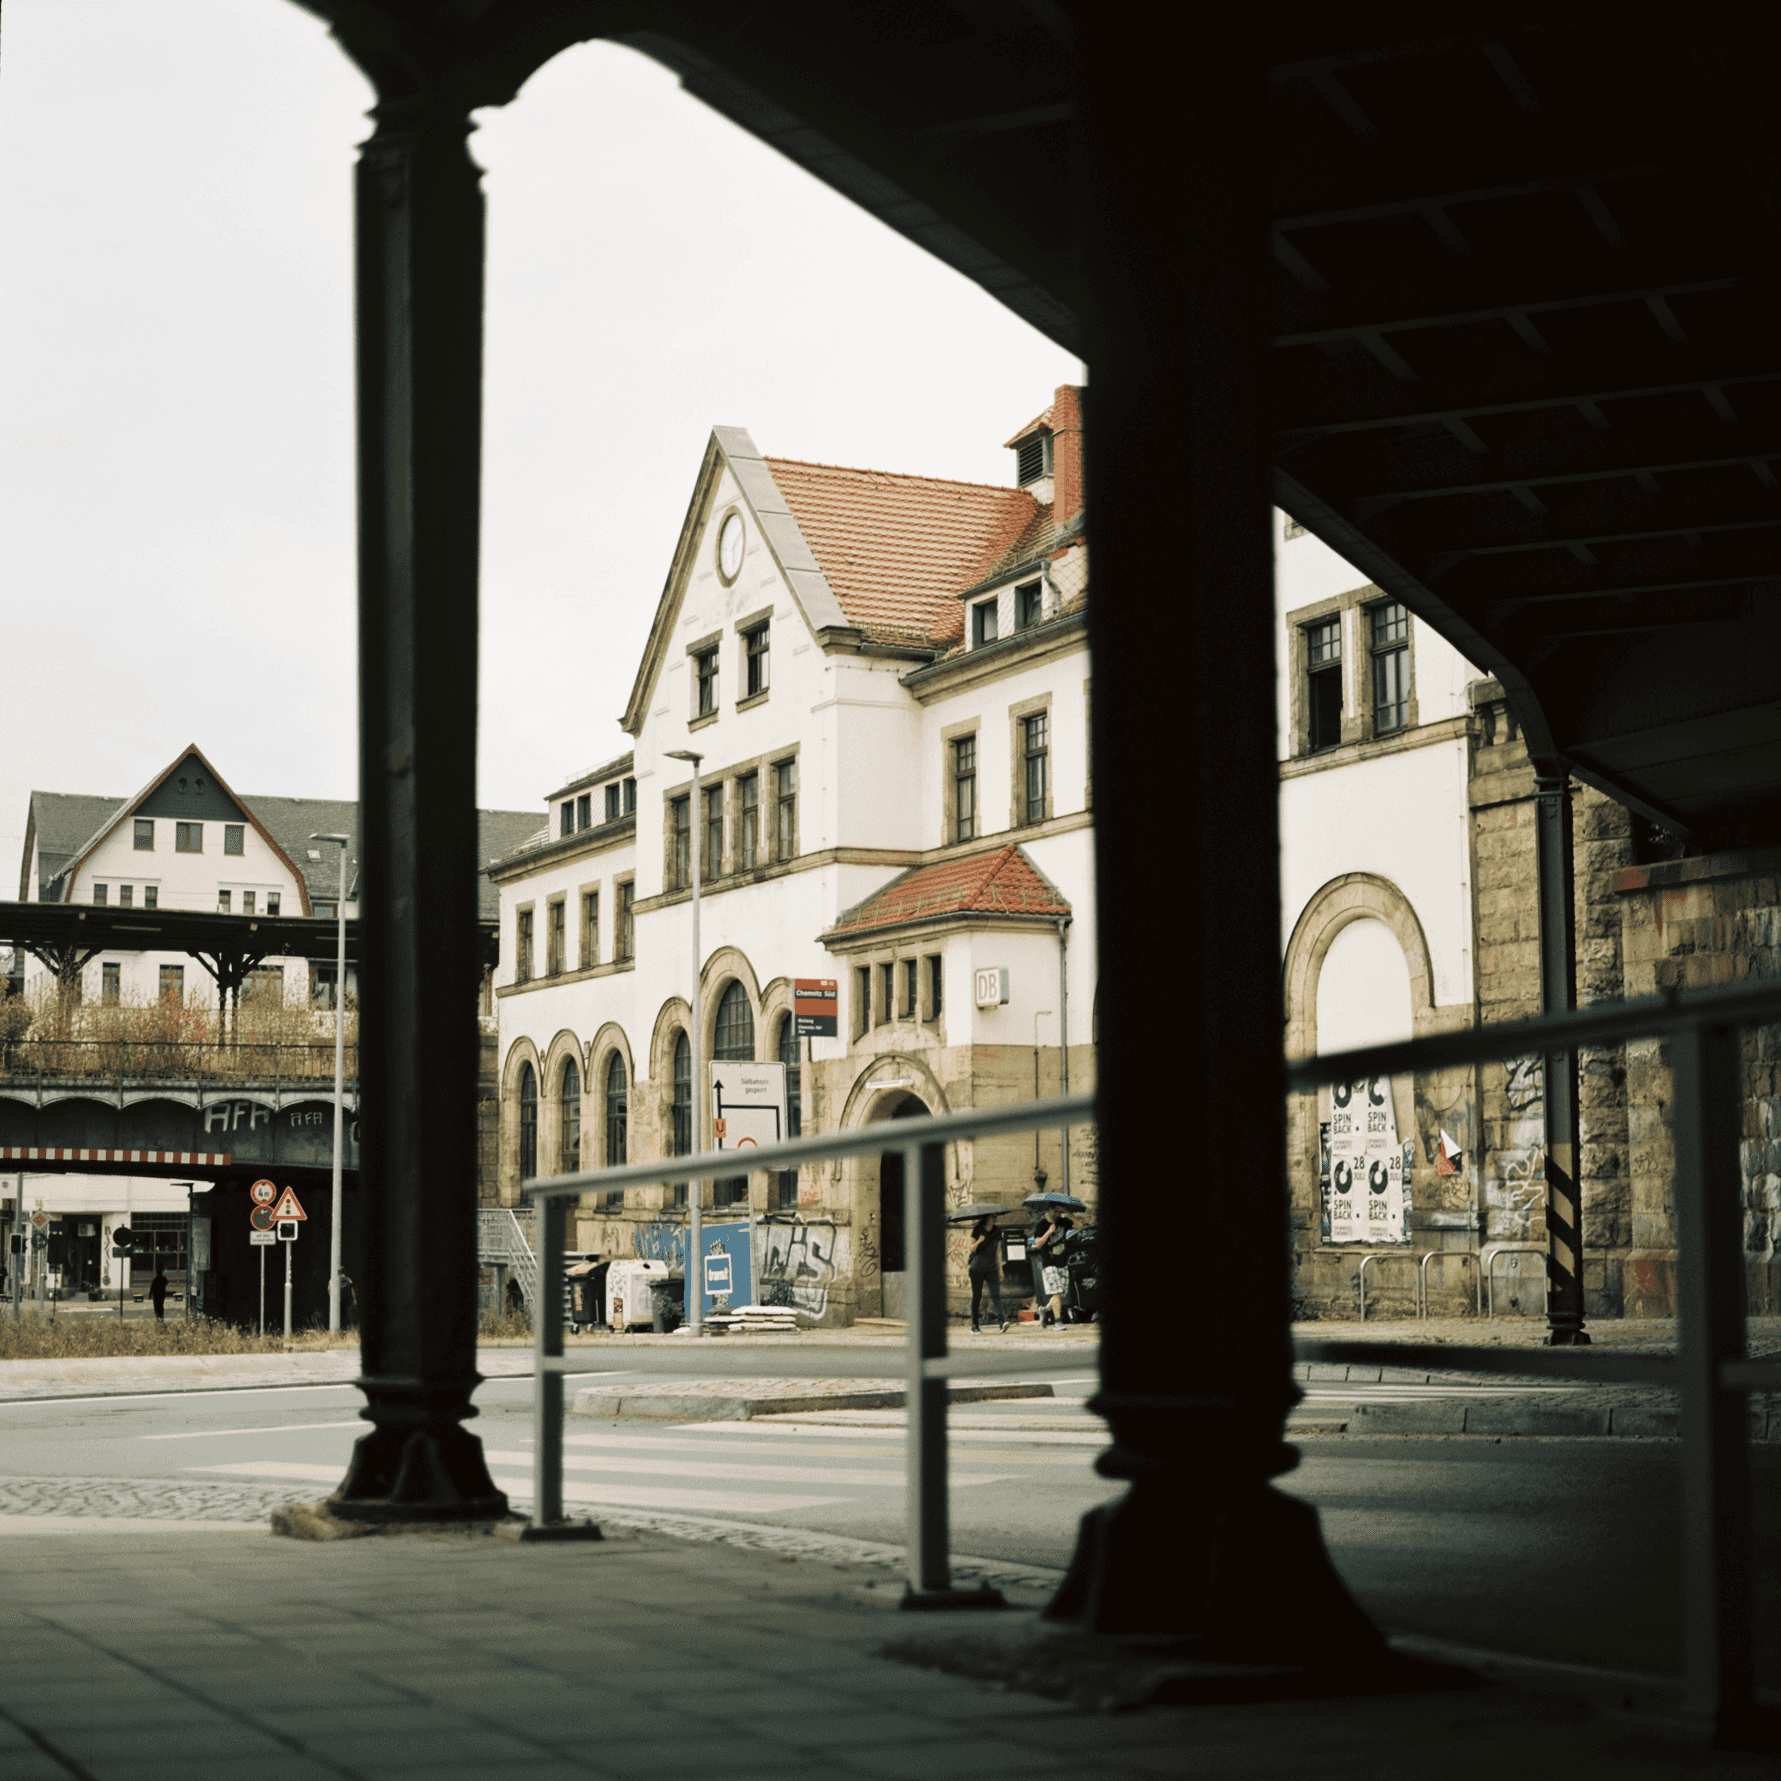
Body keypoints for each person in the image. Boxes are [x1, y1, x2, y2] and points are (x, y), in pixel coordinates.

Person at [1030, 1209, 1073, 1327]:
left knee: (1060, 1295)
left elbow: (1079, 1226)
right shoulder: (1041, 1225)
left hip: (1062, 1263)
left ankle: (1045, 1309)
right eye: (1055, 1211)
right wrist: (1049, 1232)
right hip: (1049, 1264)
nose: (1057, 1213)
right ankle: (1058, 1322)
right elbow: (1038, 1243)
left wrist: (1069, 1214)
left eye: (1059, 1211)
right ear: (1048, 1210)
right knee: (1057, 1292)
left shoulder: (1064, 1222)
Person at [966, 1216, 1006, 1333]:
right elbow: (971, 1249)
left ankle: (1002, 1322)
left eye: (996, 1216)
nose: (995, 1218)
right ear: (987, 1218)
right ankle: (974, 1325)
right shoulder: (977, 1230)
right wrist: (979, 1241)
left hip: (992, 1268)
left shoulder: (998, 1231)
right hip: (976, 1268)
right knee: (977, 1296)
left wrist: (1001, 1269)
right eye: (993, 1216)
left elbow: (998, 1251)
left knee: (995, 1294)